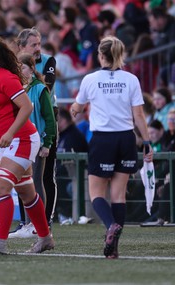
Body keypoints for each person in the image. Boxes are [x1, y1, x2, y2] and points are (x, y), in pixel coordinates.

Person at [71, 35, 153, 259]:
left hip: (103, 139)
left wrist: (74, 110)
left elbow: (77, 107)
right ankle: (113, 248)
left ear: (100, 55)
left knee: (96, 193)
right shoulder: (131, 79)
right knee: (119, 196)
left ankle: (110, 226)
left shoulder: (90, 79)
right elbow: (139, 115)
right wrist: (146, 142)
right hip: (126, 138)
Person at [0, 37, 54, 254]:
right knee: (27, 194)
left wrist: (10, 132)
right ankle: (45, 238)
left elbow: (27, 107)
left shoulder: (4, 77)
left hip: (22, 139)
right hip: (7, 141)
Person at [8, 53, 56, 239]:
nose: (20, 71)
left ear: (31, 68)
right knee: (24, 183)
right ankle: (28, 223)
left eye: (24, 67)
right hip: (21, 141)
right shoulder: (18, 89)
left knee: (36, 181)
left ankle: (38, 224)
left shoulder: (39, 89)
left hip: (37, 141)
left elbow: (49, 118)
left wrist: (47, 142)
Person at [16, 27, 58, 230]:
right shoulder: (14, 65)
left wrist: (47, 140)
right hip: (23, 129)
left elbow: (48, 84)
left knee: (43, 176)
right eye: (33, 45)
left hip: (43, 125)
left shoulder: (48, 61)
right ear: (21, 47)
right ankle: (26, 222)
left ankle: (43, 221)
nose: (38, 49)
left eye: (39, 44)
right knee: (24, 179)